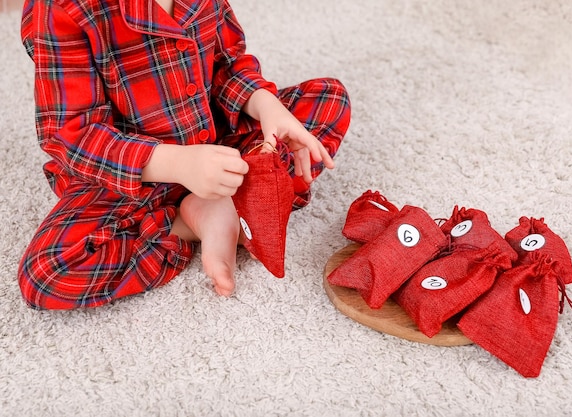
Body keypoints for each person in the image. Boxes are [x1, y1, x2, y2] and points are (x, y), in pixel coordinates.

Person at [18, 0, 351, 310]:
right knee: (48, 275)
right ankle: (191, 221)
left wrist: (265, 105)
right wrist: (179, 164)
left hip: (217, 142)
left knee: (327, 100)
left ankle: (232, 202)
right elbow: (71, 133)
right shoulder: (61, 8)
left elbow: (227, 63)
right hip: (131, 172)